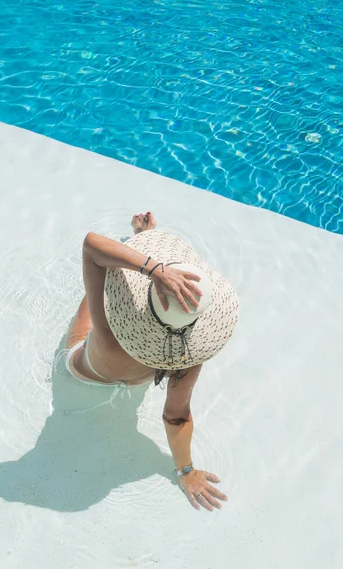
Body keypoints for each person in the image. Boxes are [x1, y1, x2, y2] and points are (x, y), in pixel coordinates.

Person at [63, 211, 239, 512]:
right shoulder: (189, 355)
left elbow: (91, 246)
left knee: (100, 290)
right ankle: (137, 243)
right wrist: (186, 471)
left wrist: (155, 270)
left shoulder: (110, 334)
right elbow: (176, 417)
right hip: (144, 372)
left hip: (86, 368)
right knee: (110, 283)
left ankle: (136, 244)